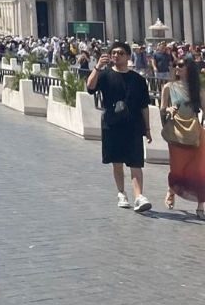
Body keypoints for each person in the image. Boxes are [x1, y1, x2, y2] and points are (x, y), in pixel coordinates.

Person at [86, 42, 153, 212]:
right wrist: (98, 67)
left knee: (136, 162)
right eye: (113, 53)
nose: (116, 55)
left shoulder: (138, 80)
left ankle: (139, 196)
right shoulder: (105, 75)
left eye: (121, 53)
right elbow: (90, 87)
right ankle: (121, 193)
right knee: (117, 162)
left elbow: (144, 106)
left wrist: (148, 129)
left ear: (128, 56)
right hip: (112, 124)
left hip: (133, 125)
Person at [162, 57, 205, 217]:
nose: (177, 68)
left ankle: (201, 205)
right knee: (177, 167)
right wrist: (168, 110)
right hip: (176, 131)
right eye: (175, 65)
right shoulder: (169, 87)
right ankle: (171, 189)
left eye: (180, 65)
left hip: (195, 131)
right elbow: (162, 108)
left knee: (199, 168)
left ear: (190, 69)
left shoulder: (197, 90)